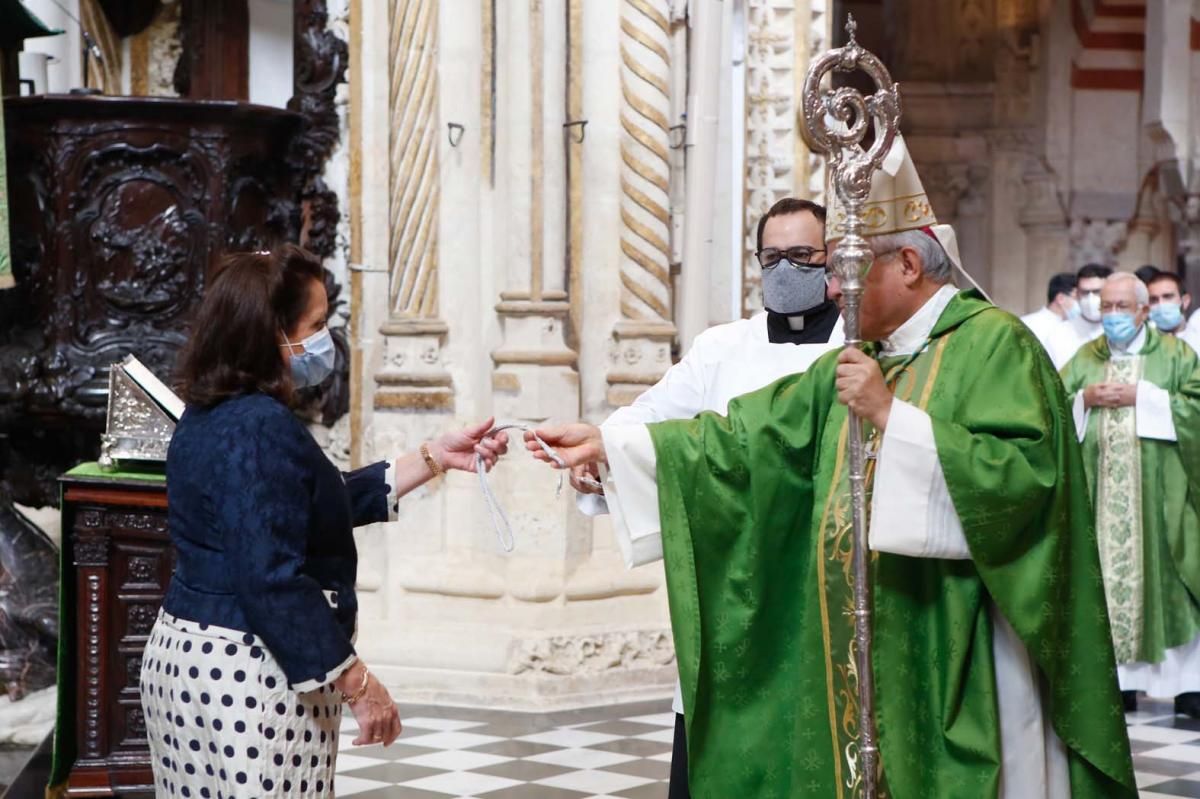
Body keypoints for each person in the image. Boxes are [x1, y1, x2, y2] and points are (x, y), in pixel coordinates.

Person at [526, 137, 1136, 798]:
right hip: (867, 647)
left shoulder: (995, 344)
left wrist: (891, 416)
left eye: (852, 267)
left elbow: (1027, 483)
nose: (833, 286)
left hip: (962, 644)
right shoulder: (865, 352)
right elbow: (746, 438)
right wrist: (611, 445)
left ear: (908, 262)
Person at [139, 247, 509, 798]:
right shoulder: (260, 425)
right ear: (271, 334)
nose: (324, 340)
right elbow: (272, 577)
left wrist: (433, 457)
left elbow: (308, 503)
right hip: (248, 675)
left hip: (189, 656)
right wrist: (358, 683)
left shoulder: (212, 410)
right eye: (314, 325)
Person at [575, 197, 844, 799]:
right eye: (771, 257)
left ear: (833, 263)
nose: (784, 270)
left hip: (824, 576)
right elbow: (646, 424)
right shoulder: (722, 347)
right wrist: (601, 458)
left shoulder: (859, 351)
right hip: (736, 585)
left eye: (802, 256)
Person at [1059, 272, 1200, 718]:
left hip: (1162, 497)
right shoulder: (1084, 358)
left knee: (1173, 580)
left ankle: (1185, 687)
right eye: (1108, 308)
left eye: (1123, 307)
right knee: (1101, 582)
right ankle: (1115, 685)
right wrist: (1083, 398)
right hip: (1097, 499)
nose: (1114, 316)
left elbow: (1196, 406)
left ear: (1143, 311)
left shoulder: (1177, 356)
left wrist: (1146, 397)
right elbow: (1050, 405)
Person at [1046, 263, 1112, 369]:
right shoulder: (1059, 335)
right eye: (1085, 292)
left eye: (1097, 292)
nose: (1091, 299)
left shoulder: (1120, 331)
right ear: (1076, 294)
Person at [1020, 272, 1078, 354]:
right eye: (1077, 298)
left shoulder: (1074, 327)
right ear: (1060, 298)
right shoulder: (1028, 324)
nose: (1081, 302)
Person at [1146, 270, 1200, 353]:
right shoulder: (1143, 345)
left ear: (1185, 301)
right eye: (1154, 300)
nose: (1161, 304)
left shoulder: (1196, 338)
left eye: (1167, 297)